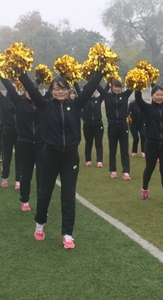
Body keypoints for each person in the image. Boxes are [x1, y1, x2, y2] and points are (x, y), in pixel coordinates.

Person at [19, 69, 104, 249]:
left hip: (70, 157)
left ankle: (67, 234)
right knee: (44, 193)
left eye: (63, 88)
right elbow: (31, 89)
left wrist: (100, 71)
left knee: (68, 197)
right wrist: (20, 73)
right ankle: (40, 223)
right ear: (51, 91)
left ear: (68, 90)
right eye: (56, 88)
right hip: (49, 155)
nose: (60, 91)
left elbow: (90, 87)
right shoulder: (44, 105)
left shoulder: (76, 104)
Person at [0, 77, 44, 211]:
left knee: (42, 176)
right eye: (28, 90)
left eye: (33, 91)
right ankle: (25, 200)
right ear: (24, 91)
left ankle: (42, 205)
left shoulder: (43, 103)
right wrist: (0, 72)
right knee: (26, 174)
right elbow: (8, 86)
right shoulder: (19, 102)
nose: (31, 93)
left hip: (41, 144)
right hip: (25, 143)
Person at [0, 82, 20, 189]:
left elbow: (32, 89)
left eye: (15, 87)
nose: (13, 89)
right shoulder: (3, 100)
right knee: (7, 157)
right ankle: (5, 178)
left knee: (19, 158)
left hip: (20, 132)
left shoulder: (21, 100)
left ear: (18, 89)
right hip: (7, 132)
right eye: (11, 87)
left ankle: (18, 180)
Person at [101, 79, 133, 180]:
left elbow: (133, 86)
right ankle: (113, 171)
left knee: (124, 149)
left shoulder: (125, 95)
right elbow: (98, 87)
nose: (117, 89)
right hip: (112, 124)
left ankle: (126, 172)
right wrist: (107, 77)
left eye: (119, 87)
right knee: (112, 149)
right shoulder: (107, 96)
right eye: (115, 87)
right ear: (111, 87)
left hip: (123, 124)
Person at [75, 83, 104, 167]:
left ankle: (99, 161)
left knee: (99, 143)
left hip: (98, 124)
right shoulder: (84, 100)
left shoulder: (98, 99)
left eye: (93, 91)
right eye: (90, 91)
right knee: (88, 143)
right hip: (88, 125)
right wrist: (75, 81)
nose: (92, 93)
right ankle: (88, 160)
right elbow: (78, 90)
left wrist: (97, 82)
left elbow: (104, 91)